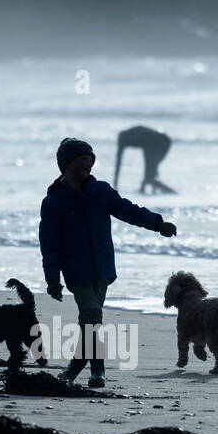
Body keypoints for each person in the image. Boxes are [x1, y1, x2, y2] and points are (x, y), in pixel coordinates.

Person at [40, 137, 177, 388]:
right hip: (76, 271)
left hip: (102, 270)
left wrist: (158, 224)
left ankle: (73, 369)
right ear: (65, 165)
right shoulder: (53, 202)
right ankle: (98, 370)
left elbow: (129, 210)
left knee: (89, 322)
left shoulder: (101, 191)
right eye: (81, 162)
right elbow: (49, 244)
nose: (87, 166)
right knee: (92, 314)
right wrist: (52, 279)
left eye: (90, 163)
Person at [114, 125, 175, 194]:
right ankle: (150, 189)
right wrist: (115, 185)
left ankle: (167, 192)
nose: (121, 146)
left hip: (164, 142)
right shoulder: (126, 137)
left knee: (150, 173)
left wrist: (115, 185)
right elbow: (118, 161)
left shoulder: (137, 135)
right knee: (151, 172)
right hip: (158, 141)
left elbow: (148, 158)